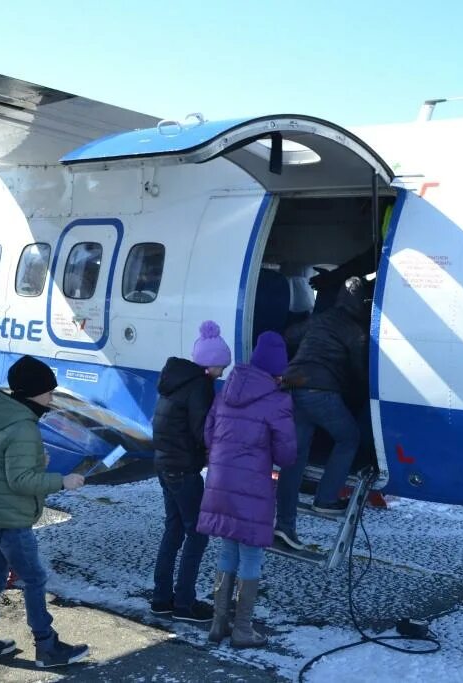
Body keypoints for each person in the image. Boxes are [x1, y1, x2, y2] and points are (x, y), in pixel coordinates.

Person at [0, 355, 89, 668]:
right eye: (48, 392)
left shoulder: (3, 415)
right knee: (34, 579)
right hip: (10, 518)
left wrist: (37, 463)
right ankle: (46, 647)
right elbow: (21, 481)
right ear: (32, 393)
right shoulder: (22, 428)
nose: (51, 398)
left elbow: (2, 465)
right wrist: (63, 481)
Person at [197, 332, 296, 649]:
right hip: (253, 487)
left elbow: (209, 435)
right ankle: (242, 630)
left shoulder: (226, 390)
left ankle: (217, 623)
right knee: (251, 556)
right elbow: (286, 455)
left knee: (228, 550)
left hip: (221, 483)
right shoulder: (277, 401)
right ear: (278, 371)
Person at [274, 276, 369, 550]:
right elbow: (360, 372)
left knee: (295, 458)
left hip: (293, 387)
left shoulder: (321, 319)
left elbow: (288, 336)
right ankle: (326, 499)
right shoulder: (356, 330)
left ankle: (284, 525)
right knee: (349, 438)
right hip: (321, 391)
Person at [149, 320, 230, 622]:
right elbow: (202, 430)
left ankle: (161, 598)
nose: (223, 372)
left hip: (165, 464)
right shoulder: (200, 387)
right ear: (210, 365)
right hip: (183, 469)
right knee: (197, 533)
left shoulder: (176, 381)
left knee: (174, 529)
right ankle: (184, 603)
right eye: (222, 366)